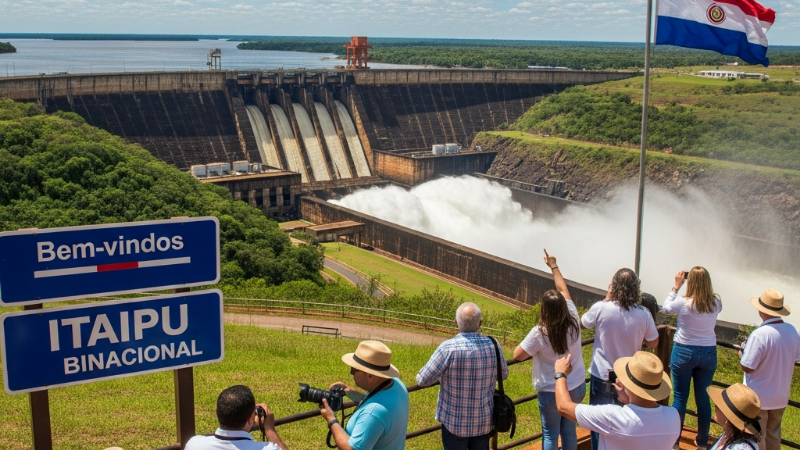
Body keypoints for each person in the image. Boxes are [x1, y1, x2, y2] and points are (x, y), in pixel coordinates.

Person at [513, 250, 585, 450]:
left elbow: (517, 355)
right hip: (576, 384)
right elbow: (563, 289)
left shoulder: (540, 332)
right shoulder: (574, 320)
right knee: (569, 431)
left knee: (550, 434)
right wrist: (554, 266)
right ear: (564, 307)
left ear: (543, 309)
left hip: (550, 389)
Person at [580, 268, 659, 450]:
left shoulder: (601, 308)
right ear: (636, 289)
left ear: (613, 286)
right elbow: (654, 342)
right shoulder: (644, 314)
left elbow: (584, 322)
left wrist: (607, 298)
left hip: (602, 375)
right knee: (626, 424)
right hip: (630, 378)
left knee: (598, 424)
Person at [417, 302, 509, 450]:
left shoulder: (448, 347)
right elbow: (503, 374)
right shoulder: (493, 345)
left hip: (455, 423)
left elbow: (422, 380)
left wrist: (443, 376)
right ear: (480, 323)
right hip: (483, 421)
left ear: (455, 322)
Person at [554, 351, 681, 450]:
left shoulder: (612, 417)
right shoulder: (674, 417)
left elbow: (563, 407)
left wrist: (560, 374)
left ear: (630, 386)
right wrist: (629, 399)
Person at [663, 267, 723, 450]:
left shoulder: (683, 302)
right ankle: (703, 442)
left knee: (680, 397)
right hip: (708, 353)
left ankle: (675, 441)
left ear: (691, 282)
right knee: (703, 399)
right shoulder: (716, 302)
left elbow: (665, 308)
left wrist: (676, 287)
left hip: (684, 351)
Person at [738, 288, 800, 450]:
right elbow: (795, 359)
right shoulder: (792, 331)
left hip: (759, 397)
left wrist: (742, 353)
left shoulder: (760, 334)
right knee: (774, 435)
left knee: (757, 437)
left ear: (761, 310)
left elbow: (748, 366)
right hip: (780, 396)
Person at [320, 340, 410, 450]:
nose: (351, 373)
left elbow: (351, 449)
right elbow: (376, 398)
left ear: (370, 376)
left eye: (354, 370)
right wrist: (350, 391)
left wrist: (331, 419)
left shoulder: (373, 413)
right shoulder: (396, 384)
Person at [185, 385, 289, 450]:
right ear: (252, 417)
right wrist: (270, 429)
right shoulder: (269, 448)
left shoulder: (194, 444)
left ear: (217, 412)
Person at [707, 383, 762, 450]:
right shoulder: (729, 433)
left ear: (729, 417)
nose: (715, 405)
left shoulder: (741, 448)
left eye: (720, 405)